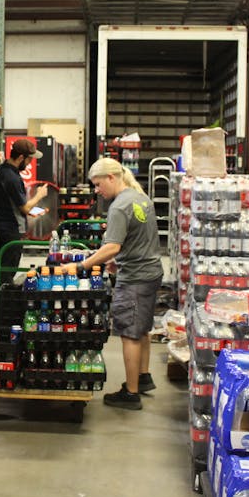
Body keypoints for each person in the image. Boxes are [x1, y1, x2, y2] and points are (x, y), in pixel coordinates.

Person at [77, 158, 163, 410]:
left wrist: (82, 266)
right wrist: (119, 259)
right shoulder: (140, 198)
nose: (96, 190)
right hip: (151, 272)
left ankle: (131, 392)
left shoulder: (118, 208)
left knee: (129, 334)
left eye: (97, 184)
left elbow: (111, 245)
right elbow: (138, 239)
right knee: (142, 328)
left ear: (112, 178)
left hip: (135, 278)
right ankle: (143, 377)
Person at [0, 139, 49, 286]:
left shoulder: (2, 171)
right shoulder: (11, 177)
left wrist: (31, 211)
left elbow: (12, 203)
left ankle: (4, 296)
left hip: (6, 226)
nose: (30, 163)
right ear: (21, 157)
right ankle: (5, 302)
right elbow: (24, 207)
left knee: (7, 267)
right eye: (30, 159)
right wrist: (39, 195)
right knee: (8, 270)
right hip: (11, 229)